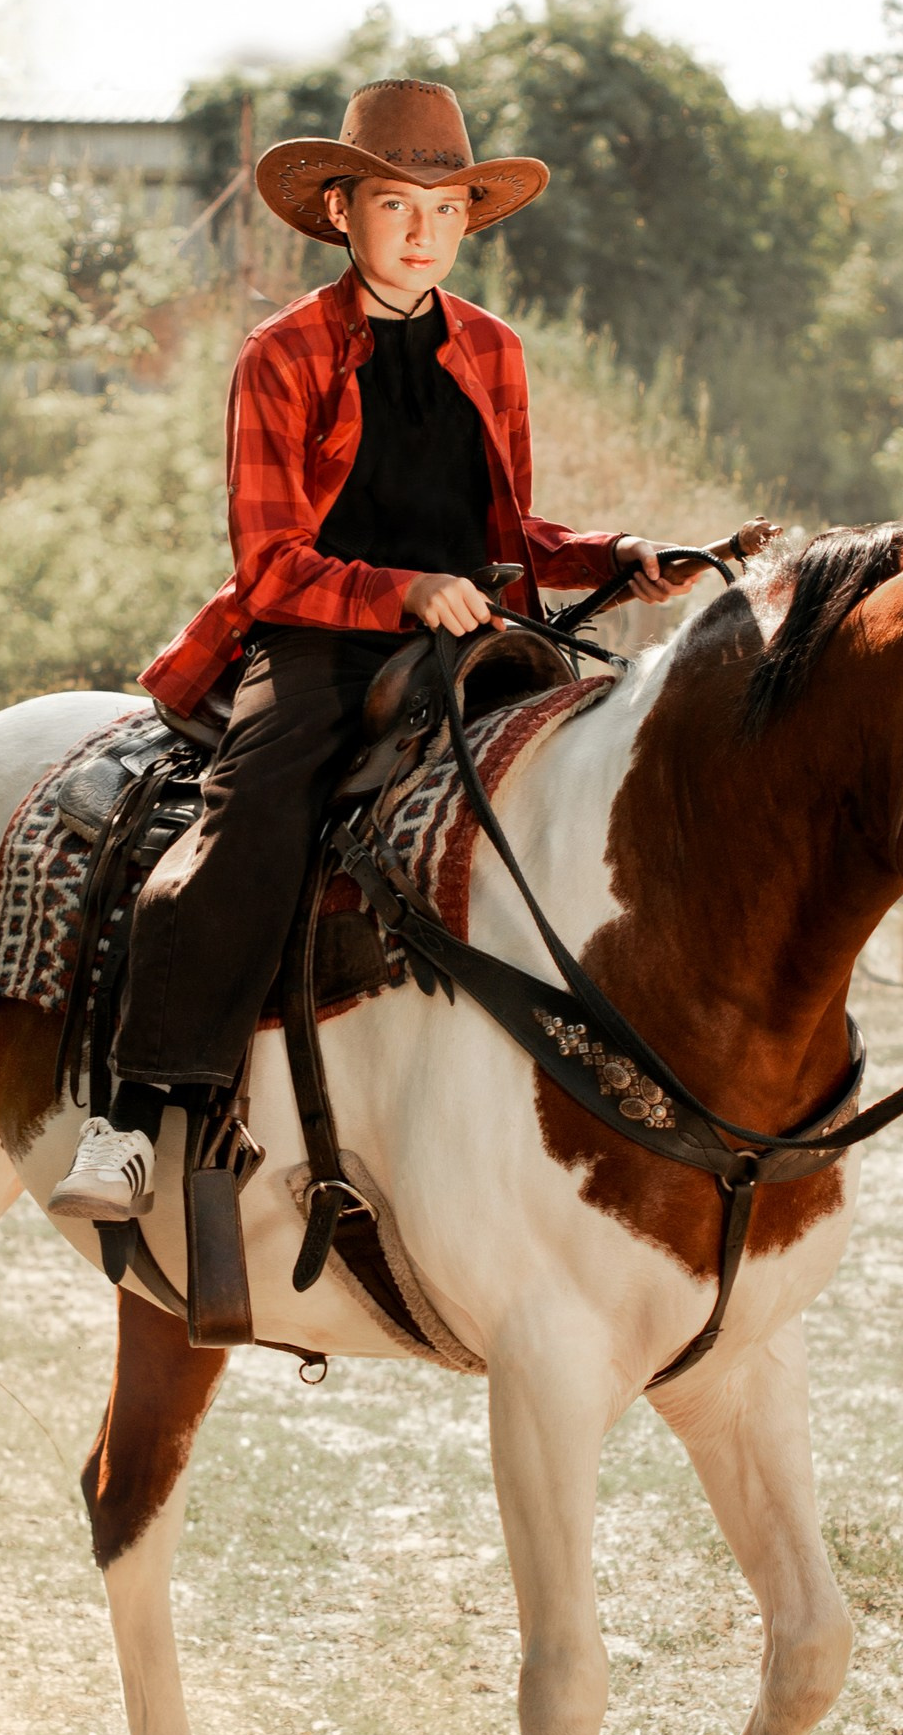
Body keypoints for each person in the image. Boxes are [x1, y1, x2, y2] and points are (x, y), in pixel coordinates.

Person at [51, 79, 708, 1229]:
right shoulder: (284, 352)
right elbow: (270, 564)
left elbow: (509, 533)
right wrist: (401, 590)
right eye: (397, 205)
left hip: (475, 633)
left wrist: (615, 553)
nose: (422, 232)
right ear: (341, 210)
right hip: (321, 639)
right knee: (253, 815)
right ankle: (137, 1113)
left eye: (446, 209)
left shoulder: (493, 350)